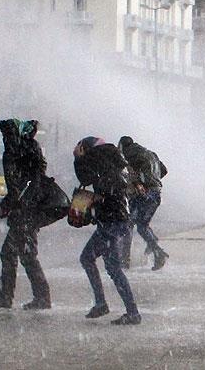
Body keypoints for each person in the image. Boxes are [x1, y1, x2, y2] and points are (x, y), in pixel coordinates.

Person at [0, 119, 52, 310]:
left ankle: (13, 296)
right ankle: (36, 296)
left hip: (24, 212)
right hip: (30, 210)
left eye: (6, 134)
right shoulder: (31, 148)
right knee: (22, 253)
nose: (5, 138)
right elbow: (30, 181)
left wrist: (7, 204)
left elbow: (17, 187)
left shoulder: (15, 152)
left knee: (15, 254)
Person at [74, 136, 141, 325]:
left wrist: (78, 159)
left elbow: (88, 179)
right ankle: (108, 305)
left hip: (112, 222)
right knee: (104, 264)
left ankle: (127, 311)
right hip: (114, 220)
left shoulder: (101, 160)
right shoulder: (112, 159)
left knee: (105, 265)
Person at [118, 136, 168, 271]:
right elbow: (164, 170)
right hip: (156, 193)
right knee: (142, 225)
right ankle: (155, 248)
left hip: (144, 193)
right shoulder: (150, 154)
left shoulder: (129, 154)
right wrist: (153, 180)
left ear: (122, 146)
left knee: (128, 223)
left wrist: (140, 183)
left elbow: (130, 172)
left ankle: (124, 260)